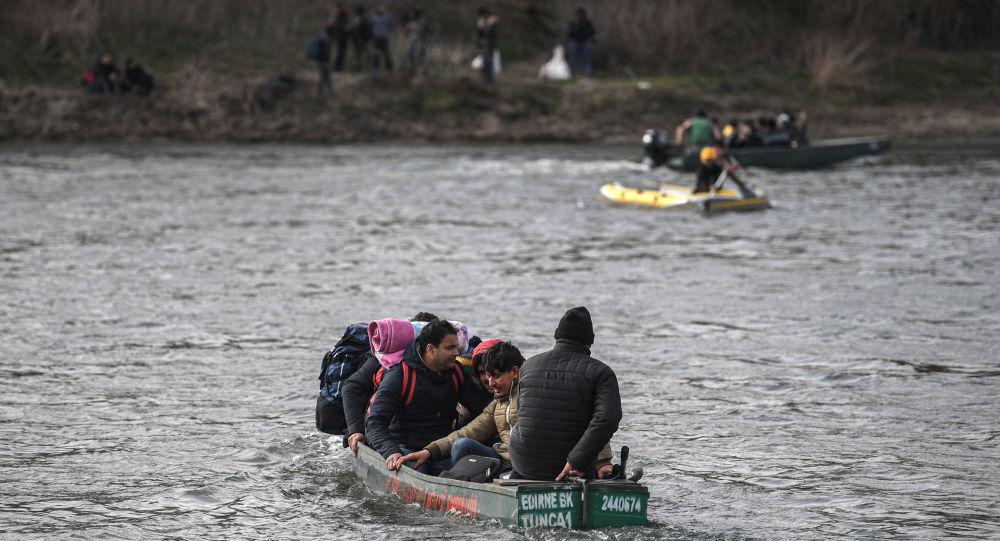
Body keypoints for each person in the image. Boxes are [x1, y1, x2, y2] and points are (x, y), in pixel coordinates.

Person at [401, 341, 615, 476]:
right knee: (461, 445)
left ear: (514, 372)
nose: (490, 383)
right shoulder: (497, 404)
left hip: (531, 465)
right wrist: (429, 451)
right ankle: (468, 485)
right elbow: (469, 431)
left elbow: (590, 422)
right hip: (502, 461)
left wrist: (603, 463)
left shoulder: (535, 394)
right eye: (486, 376)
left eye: (495, 376)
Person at [365, 319, 491, 475]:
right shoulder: (399, 376)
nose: (457, 353)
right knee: (416, 468)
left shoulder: (456, 371)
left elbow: (480, 406)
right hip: (407, 452)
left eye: (457, 347)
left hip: (441, 451)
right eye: (450, 348)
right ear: (430, 349)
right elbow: (374, 423)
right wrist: (391, 452)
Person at [508, 307, 621, 481]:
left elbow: (520, 413)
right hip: (570, 468)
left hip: (524, 463)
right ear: (590, 342)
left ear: (557, 337)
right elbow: (607, 419)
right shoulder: (602, 373)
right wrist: (577, 460)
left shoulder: (529, 365)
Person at [341, 311, 439, 455]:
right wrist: (356, 430)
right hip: (385, 429)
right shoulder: (386, 359)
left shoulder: (446, 361)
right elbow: (351, 387)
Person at [567, 7, 596, 77]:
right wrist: (577, 29)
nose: (580, 15)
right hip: (575, 42)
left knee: (586, 59)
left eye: (581, 14)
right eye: (579, 14)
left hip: (584, 42)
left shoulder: (587, 22)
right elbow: (569, 33)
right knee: (573, 59)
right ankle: (571, 73)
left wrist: (586, 34)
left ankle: (588, 73)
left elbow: (592, 31)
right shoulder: (574, 22)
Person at [405, 8, 430, 79]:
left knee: (419, 57)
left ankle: (422, 73)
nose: (410, 15)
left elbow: (423, 30)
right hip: (414, 42)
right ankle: (415, 71)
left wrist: (412, 27)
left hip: (420, 42)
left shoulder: (421, 21)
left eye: (411, 13)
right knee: (411, 56)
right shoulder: (413, 21)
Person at [476, 8, 498, 84]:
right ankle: (487, 79)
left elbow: (492, 34)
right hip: (485, 45)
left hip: (488, 45)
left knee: (488, 63)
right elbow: (481, 33)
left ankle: (488, 79)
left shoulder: (488, 24)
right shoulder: (483, 21)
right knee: (486, 62)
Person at [348, 5, 373, 71]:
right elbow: (368, 30)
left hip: (360, 39)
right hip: (361, 39)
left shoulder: (356, 18)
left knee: (359, 54)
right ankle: (363, 68)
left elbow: (354, 30)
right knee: (363, 54)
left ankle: (361, 68)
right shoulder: (364, 18)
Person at [370, 4, 394, 71]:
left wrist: (388, 33)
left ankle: (388, 67)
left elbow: (391, 26)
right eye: (380, 8)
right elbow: (371, 27)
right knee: (376, 53)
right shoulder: (374, 17)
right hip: (376, 38)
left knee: (386, 53)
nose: (381, 10)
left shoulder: (388, 17)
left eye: (383, 8)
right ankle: (375, 67)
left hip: (384, 37)